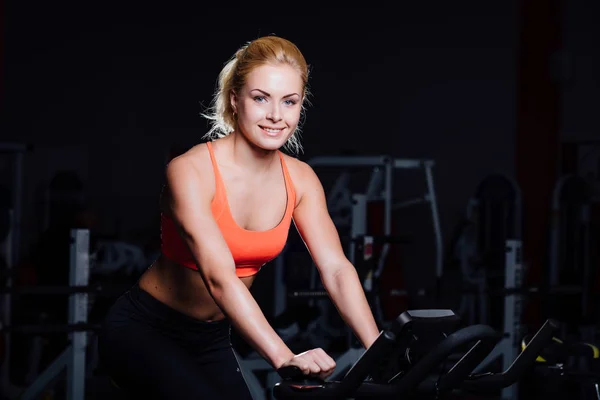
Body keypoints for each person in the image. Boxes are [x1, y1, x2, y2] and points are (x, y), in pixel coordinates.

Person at [99, 35, 380, 399]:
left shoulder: (301, 178)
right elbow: (220, 278)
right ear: (235, 100)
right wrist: (285, 356)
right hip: (144, 330)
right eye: (261, 98)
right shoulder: (190, 171)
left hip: (212, 339)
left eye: (289, 102)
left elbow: (337, 269)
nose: (276, 115)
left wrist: (379, 349)